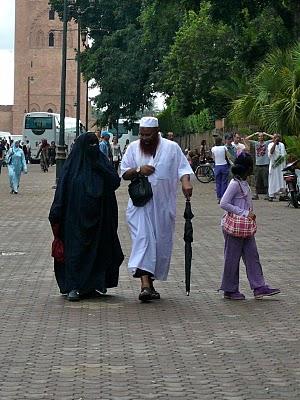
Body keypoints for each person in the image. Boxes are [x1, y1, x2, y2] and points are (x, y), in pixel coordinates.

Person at [121, 116, 193, 302]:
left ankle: (150, 284)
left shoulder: (171, 148)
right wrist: (138, 170)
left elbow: (183, 169)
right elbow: (124, 173)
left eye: (148, 134)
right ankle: (144, 285)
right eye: (142, 134)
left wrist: (186, 183)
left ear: (156, 132)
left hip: (163, 206)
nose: (144, 138)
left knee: (159, 245)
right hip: (140, 206)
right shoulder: (133, 148)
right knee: (143, 240)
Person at [48, 133, 124, 301]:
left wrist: (99, 166)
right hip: (74, 221)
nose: (93, 148)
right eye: (89, 145)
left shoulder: (101, 162)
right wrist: (56, 215)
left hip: (100, 219)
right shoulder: (71, 167)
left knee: (98, 253)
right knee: (76, 253)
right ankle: (73, 286)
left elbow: (114, 181)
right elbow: (62, 192)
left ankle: (92, 285)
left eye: (95, 144)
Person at [219, 152, 280, 300]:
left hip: (245, 228)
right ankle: (229, 289)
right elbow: (224, 203)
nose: (251, 170)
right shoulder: (234, 184)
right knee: (232, 259)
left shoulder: (244, 183)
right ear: (243, 169)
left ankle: (259, 286)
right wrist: (244, 213)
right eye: (249, 167)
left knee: (252, 256)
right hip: (235, 227)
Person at [245, 131, 273, 200]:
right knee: (257, 180)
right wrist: (255, 133)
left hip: (265, 164)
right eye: (259, 136)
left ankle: (268, 194)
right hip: (258, 164)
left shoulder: (266, 143)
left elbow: (274, 138)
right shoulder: (256, 143)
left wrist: (266, 133)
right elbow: (246, 139)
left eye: (262, 136)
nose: (261, 137)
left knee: (266, 180)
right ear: (258, 137)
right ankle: (256, 194)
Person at [268, 134, 287, 201]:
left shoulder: (282, 145)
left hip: (281, 166)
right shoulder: (270, 144)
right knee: (273, 180)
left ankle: (282, 195)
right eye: (275, 137)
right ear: (273, 138)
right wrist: (275, 143)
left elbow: (284, 155)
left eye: (278, 137)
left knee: (281, 180)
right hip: (274, 166)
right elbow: (271, 152)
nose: (277, 138)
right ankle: (271, 195)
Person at [211, 137, 230, 203]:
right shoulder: (224, 147)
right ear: (221, 141)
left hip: (217, 166)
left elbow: (213, 157)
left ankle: (219, 197)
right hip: (224, 165)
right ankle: (223, 197)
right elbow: (227, 156)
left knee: (218, 182)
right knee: (224, 182)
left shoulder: (213, 149)